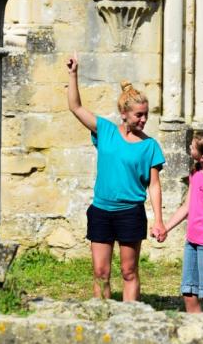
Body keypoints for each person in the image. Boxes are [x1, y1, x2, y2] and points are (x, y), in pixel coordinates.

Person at [66, 53, 167, 302]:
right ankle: (103, 319)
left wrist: (159, 221)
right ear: (124, 113)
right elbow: (75, 108)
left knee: (129, 271)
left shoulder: (150, 146)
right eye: (138, 115)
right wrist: (73, 74)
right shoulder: (106, 131)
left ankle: (129, 321)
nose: (143, 119)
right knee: (101, 272)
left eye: (146, 114)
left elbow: (154, 185)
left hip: (130, 213)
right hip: (101, 211)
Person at [163, 131, 203, 314]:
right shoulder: (196, 172)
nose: (189, 147)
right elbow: (187, 207)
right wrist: (166, 228)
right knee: (188, 291)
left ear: (202, 156)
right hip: (192, 242)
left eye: (192, 146)